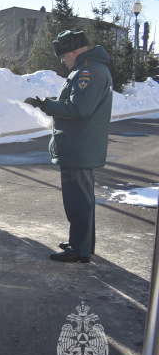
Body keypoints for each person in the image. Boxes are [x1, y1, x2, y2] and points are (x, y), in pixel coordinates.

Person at [25, 30, 113, 263]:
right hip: (81, 145)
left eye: (64, 56)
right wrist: (50, 103)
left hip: (79, 146)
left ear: (74, 51)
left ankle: (79, 248)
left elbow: (79, 109)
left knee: (78, 200)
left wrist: (48, 107)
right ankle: (82, 242)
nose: (63, 61)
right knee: (81, 199)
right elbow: (77, 103)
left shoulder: (88, 72)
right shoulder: (91, 68)